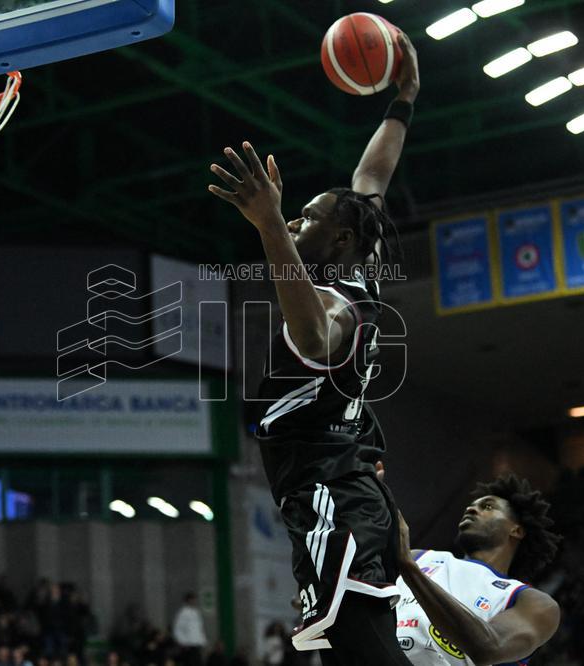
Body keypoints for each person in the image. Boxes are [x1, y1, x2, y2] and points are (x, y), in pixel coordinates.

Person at [208, 29, 420, 666]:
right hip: (341, 489)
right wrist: (403, 97)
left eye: (307, 217)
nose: (297, 221)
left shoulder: (336, 306)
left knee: (364, 652)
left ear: (342, 239)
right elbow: (372, 174)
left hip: (333, 493)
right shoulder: (365, 264)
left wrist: (271, 225)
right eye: (293, 216)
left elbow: (310, 334)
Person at [381, 470, 563, 665]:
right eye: (471, 505)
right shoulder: (420, 557)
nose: (471, 509)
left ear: (516, 530)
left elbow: (488, 648)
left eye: (487, 506)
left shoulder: (530, 601)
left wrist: (409, 568)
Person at [173, 592, 207, 666]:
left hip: (196, 644)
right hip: (188, 645)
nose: (194, 601)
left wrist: (202, 641)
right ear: (187, 600)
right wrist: (183, 643)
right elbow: (178, 629)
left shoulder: (196, 613)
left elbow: (200, 628)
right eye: (192, 599)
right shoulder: (183, 613)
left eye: (195, 599)